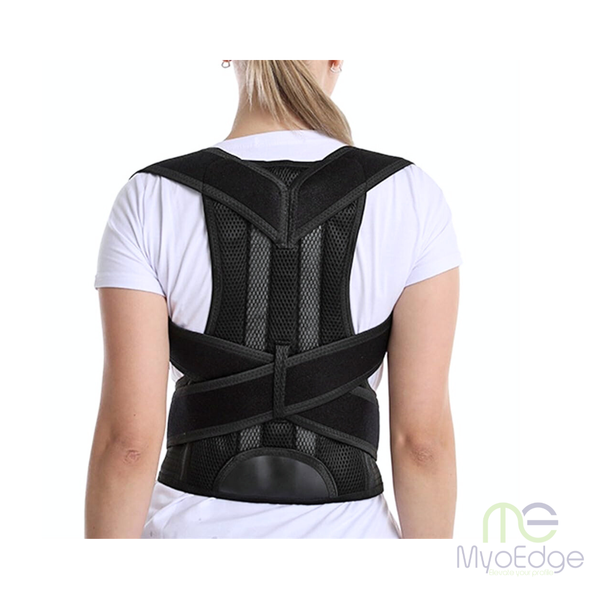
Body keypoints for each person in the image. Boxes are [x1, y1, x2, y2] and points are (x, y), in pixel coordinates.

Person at [85, 60, 461, 539]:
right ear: (335, 58)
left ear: (231, 53)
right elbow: (423, 445)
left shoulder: (150, 197)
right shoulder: (411, 196)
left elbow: (128, 446)